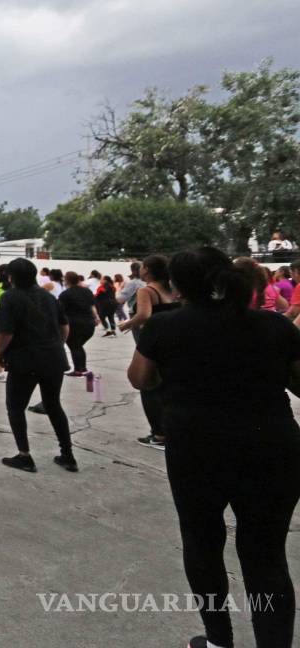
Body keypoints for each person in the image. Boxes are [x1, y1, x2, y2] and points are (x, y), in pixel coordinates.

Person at [127, 246, 300, 648]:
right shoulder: (274, 326)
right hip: (272, 446)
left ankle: (219, 640)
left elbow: (140, 379)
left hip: (197, 449)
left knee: (203, 543)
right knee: (266, 555)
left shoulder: (164, 327)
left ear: (177, 284)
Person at [0, 258, 77, 473]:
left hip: (25, 360)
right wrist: (56, 345)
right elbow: (65, 327)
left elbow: (6, 333)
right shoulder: (49, 297)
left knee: (15, 407)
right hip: (54, 359)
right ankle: (67, 455)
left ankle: (24, 455)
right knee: (53, 405)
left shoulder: (9, 298)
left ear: (11, 277)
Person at [119, 255, 179, 450]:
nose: (141, 269)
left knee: (148, 385)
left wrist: (127, 323)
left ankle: (159, 434)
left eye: (143, 266)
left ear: (148, 270)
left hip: (152, 341)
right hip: (173, 340)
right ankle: (168, 430)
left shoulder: (147, 290)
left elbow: (144, 314)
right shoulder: (171, 289)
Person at [56, 271, 96, 377]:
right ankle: (83, 368)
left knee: (75, 346)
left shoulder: (65, 294)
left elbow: (59, 310)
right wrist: (96, 318)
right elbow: (92, 307)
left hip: (74, 324)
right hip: (89, 323)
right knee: (78, 346)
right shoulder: (87, 292)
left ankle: (78, 370)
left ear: (67, 280)